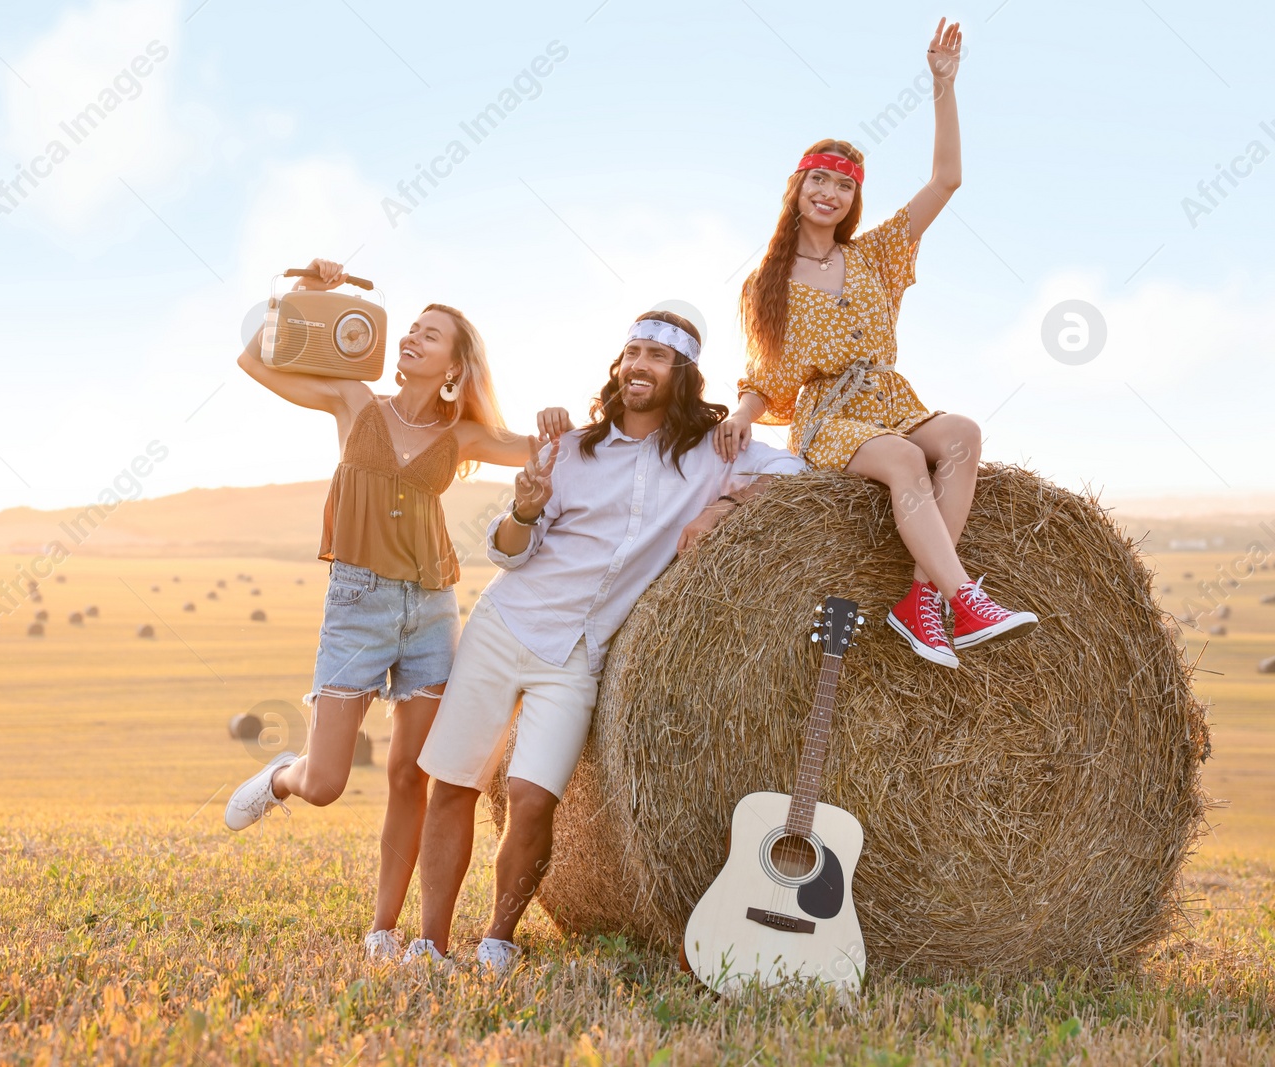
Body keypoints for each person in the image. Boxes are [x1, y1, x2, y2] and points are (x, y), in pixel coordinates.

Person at [408, 310, 804, 971]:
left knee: (534, 801)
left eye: (655, 355)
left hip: (579, 656)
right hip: (507, 627)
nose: (638, 365)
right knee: (455, 783)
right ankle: (429, 943)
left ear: (681, 373)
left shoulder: (713, 450)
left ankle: (498, 940)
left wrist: (724, 504)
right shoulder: (574, 449)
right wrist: (526, 506)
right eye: (631, 353)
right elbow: (508, 552)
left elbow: (797, 469)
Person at [223, 257, 537, 963]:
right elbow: (254, 360)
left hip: (430, 608)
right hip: (358, 604)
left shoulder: (464, 436)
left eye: (429, 336)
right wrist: (308, 297)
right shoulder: (354, 401)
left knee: (410, 774)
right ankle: (281, 775)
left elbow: (556, 449)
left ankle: (387, 930)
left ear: (455, 365)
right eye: (411, 332)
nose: (411, 341)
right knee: (328, 782)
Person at [714, 18, 1036, 670]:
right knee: (904, 461)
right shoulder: (767, 282)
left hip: (891, 398)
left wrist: (943, 86)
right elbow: (766, 374)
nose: (831, 193)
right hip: (828, 414)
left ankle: (922, 600)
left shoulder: (876, 257)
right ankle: (965, 597)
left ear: (853, 198)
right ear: (797, 189)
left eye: (844, 184)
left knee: (965, 434)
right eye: (819, 180)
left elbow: (947, 180)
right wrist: (743, 414)